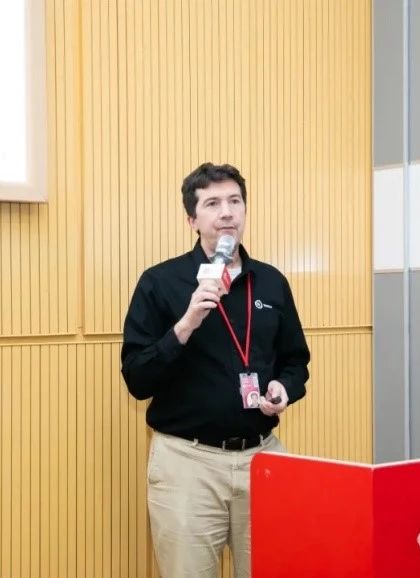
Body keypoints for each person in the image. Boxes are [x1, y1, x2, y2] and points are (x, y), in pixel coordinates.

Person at [121, 162, 311, 578]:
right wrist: (186, 324)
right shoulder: (160, 282)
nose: (226, 212)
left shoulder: (271, 282)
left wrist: (284, 388)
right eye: (212, 203)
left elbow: (296, 361)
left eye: (234, 201)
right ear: (192, 219)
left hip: (263, 458)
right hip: (187, 463)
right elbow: (137, 378)